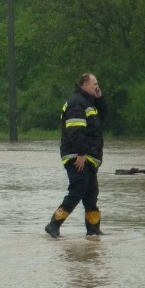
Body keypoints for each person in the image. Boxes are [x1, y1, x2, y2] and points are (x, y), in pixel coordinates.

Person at [46, 73, 108, 239]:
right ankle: (54, 224)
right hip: (77, 155)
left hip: (87, 156)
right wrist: (81, 153)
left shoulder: (90, 103)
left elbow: (103, 118)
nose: (97, 86)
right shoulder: (76, 103)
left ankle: (93, 230)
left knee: (91, 193)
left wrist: (100, 98)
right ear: (85, 84)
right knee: (78, 189)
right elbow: (74, 131)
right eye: (95, 83)